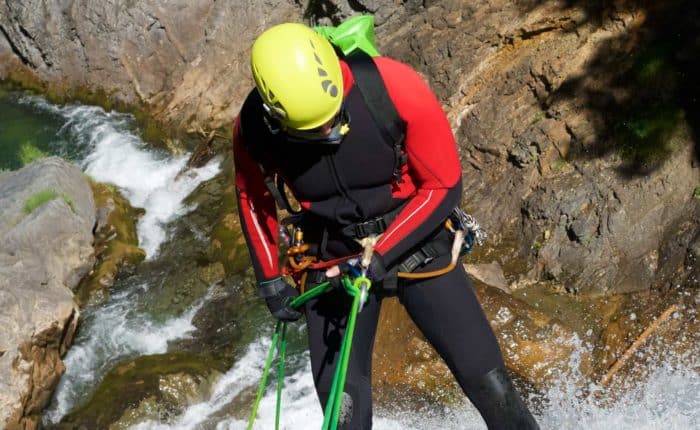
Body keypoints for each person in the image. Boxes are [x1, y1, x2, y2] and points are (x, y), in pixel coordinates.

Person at [233, 21, 539, 430]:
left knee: (490, 386)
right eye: (315, 131)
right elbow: (253, 197)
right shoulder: (254, 128)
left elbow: (443, 185)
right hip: (332, 250)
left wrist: (379, 258)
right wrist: (270, 281)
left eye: (333, 119)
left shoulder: (392, 86)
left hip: (415, 235)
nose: (330, 132)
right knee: (343, 415)